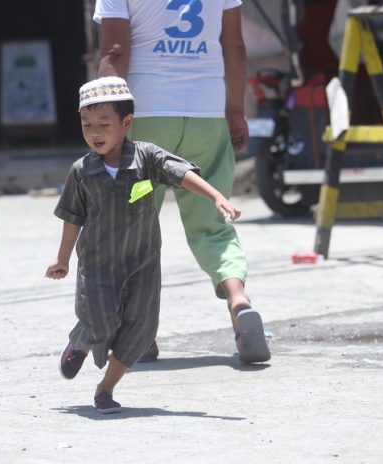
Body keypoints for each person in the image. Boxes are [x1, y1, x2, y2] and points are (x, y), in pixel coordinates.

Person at [45, 76, 241, 413]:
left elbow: (180, 173)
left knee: (140, 331)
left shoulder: (146, 157)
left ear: (127, 123)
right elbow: (72, 217)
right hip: (97, 265)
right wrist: (62, 259)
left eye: (104, 124)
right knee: (99, 323)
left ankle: (105, 390)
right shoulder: (81, 171)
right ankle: (80, 342)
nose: (95, 132)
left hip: (142, 265)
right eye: (87, 124)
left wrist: (216, 196)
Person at [93, 0, 271, 363]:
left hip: (147, 119)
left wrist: (100, 122)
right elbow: (234, 45)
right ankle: (237, 298)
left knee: (132, 228)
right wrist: (235, 111)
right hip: (206, 114)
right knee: (213, 224)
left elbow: (114, 51)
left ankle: (138, 336)